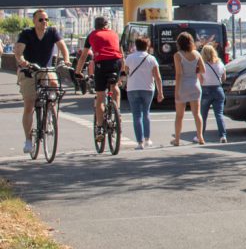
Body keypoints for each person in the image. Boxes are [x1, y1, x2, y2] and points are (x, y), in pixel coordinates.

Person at [14, 9, 69, 154]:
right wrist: (22, 61)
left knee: (54, 85)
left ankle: (50, 112)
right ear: (34, 21)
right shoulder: (27, 33)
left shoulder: (52, 32)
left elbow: (62, 46)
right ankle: (28, 140)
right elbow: (18, 51)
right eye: (41, 20)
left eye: (46, 19)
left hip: (46, 69)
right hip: (30, 71)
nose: (44, 22)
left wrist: (67, 60)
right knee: (29, 105)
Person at [75, 16, 125, 145]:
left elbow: (84, 56)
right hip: (116, 62)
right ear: (106, 25)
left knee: (100, 96)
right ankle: (117, 114)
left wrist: (78, 71)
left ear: (95, 26)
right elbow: (121, 53)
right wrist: (123, 71)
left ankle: (99, 127)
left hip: (101, 64)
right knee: (115, 88)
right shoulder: (114, 34)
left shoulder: (92, 35)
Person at [123, 36, 164, 149]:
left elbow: (124, 73)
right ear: (147, 46)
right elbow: (158, 77)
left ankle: (139, 142)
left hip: (132, 88)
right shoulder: (152, 59)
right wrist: (160, 92)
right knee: (146, 113)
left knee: (136, 115)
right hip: (148, 88)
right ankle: (147, 139)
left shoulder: (129, 58)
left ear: (136, 45)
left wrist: (122, 83)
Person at [172, 32, 205, 146]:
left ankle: (177, 139)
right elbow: (203, 70)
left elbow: (179, 74)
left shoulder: (178, 55)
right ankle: (200, 137)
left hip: (183, 86)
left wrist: (176, 91)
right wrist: (194, 71)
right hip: (195, 85)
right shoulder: (197, 54)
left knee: (179, 115)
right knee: (197, 114)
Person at [200, 43, 228, 143]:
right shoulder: (220, 64)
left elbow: (200, 81)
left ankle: (200, 136)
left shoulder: (202, 65)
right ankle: (223, 136)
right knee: (219, 115)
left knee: (203, 115)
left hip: (206, 90)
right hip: (218, 90)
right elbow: (224, 79)